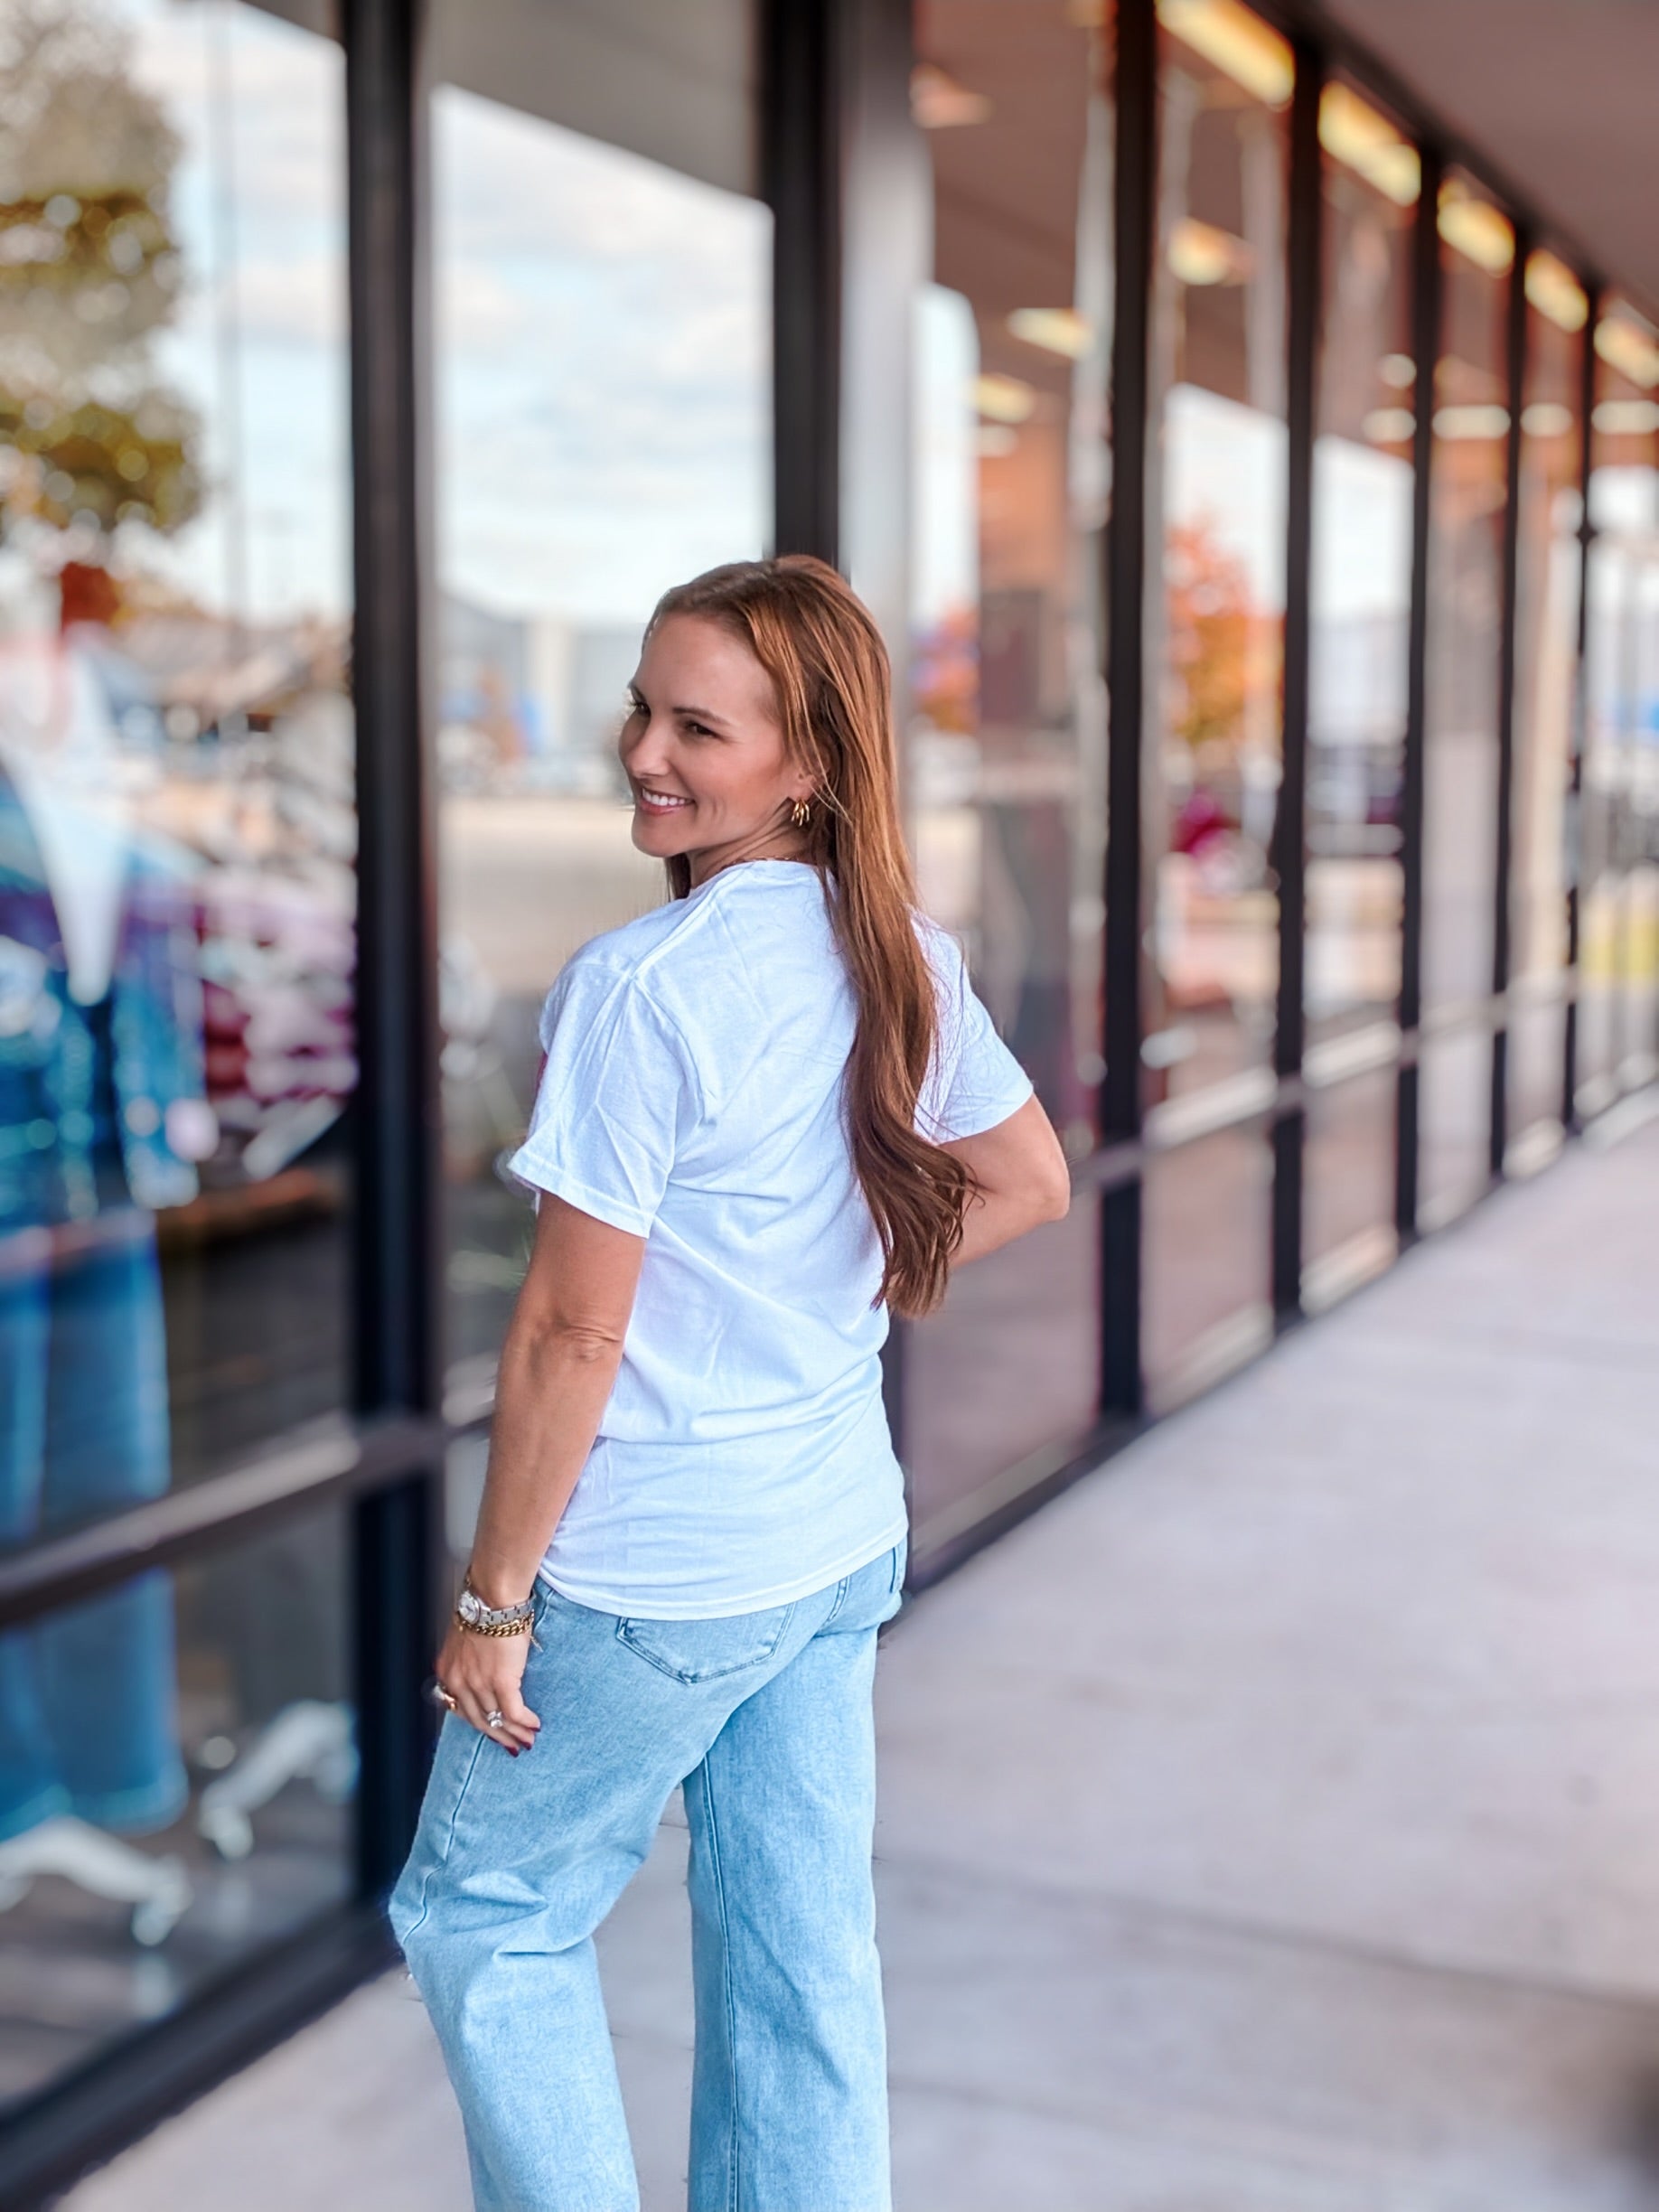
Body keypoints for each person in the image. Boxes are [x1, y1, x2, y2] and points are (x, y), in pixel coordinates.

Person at [390, 556, 1071, 2212]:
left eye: (699, 725)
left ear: (810, 764)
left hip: (653, 1574)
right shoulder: (893, 947)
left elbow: (568, 1336)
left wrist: (493, 1602)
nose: (645, 752)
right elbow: (1025, 1178)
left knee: (486, 1916)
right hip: (828, 1548)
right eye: (643, 705)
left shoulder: (643, 992)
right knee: (800, 1964)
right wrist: (838, 1283)